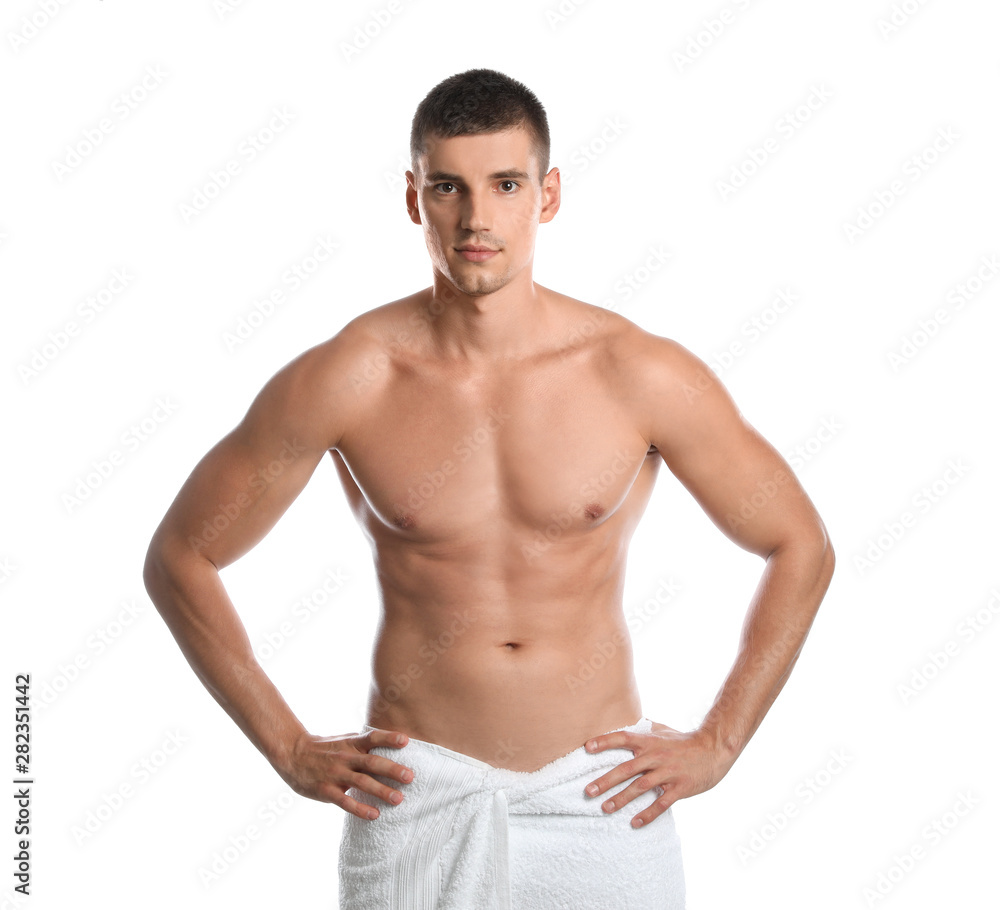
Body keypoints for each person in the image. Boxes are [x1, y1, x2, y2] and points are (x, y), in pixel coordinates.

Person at [143, 68, 835, 909]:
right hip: (414, 796)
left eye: (505, 185)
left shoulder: (637, 372)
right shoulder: (351, 375)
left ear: (546, 196)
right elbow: (182, 555)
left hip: (600, 794)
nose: (476, 218)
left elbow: (799, 544)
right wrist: (287, 747)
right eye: (448, 187)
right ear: (413, 198)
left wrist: (720, 742)